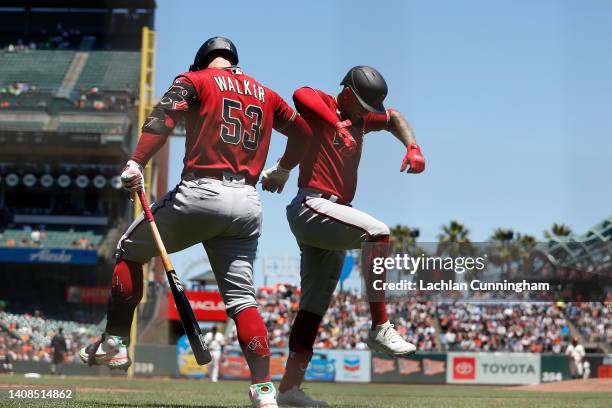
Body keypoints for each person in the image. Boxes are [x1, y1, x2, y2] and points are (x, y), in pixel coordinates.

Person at [79, 36, 311, 408]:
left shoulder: (196, 80)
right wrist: (283, 170)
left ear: (202, 61)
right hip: (248, 202)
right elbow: (303, 133)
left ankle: (116, 342)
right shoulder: (267, 94)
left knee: (129, 250)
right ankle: (264, 389)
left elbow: (162, 118)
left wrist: (136, 161)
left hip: (202, 191)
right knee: (242, 300)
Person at [261, 66, 425, 406]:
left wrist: (412, 146)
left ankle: (290, 390)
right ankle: (380, 327)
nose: (367, 114)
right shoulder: (322, 105)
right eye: (363, 104)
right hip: (311, 205)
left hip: (332, 216)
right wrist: (336, 124)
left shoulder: (362, 119)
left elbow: (394, 117)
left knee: (312, 309)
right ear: (347, 93)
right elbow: (300, 93)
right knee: (378, 233)